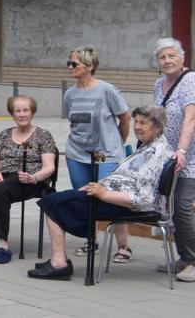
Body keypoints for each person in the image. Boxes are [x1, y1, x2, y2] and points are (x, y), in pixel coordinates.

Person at [30, 106, 173, 280]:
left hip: (128, 206)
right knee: (60, 199)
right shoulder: (149, 146)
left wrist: (103, 194)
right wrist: (97, 187)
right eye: (136, 122)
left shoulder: (156, 153)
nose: (137, 127)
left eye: (143, 123)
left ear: (158, 127)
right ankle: (59, 259)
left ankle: (59, 263)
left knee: (53, 202)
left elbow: (142, 198)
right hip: (115, 198)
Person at [0, 94, 58, 263]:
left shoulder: (43, 135)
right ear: (12, 114)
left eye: (26, 110)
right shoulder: (5, 134)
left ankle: (3, 244)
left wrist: (34, 177)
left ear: (32, 112)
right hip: (1, 173)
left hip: (28, 177)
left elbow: (49, 167)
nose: (22, 114)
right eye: (17, 111)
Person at [62, 45, 131, 258]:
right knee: (86, 198)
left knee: (111, 196)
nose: (70, 67)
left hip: (107, 154)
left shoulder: (107, 90)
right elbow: (71, 122)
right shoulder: (69, 94)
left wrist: (119, 142)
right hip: (77, 154)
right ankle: (91, 241)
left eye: (75, 64)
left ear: (90, 66)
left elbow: (125, 117)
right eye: (69, 63)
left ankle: (123, 246)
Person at [153, 38, 195, 282]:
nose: (167, 61)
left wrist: (181, 150)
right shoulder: (159, 83)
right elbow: (158, 118)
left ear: (182, 58)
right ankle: (184, 258)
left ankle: (192, 259)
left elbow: (190, 120)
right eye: (162, 57)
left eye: (171, 56)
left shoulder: (190, 81)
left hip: (189, 156)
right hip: (168, 157)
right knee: (172, 209)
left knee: (182, 207)